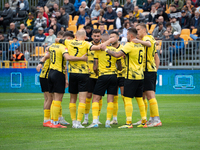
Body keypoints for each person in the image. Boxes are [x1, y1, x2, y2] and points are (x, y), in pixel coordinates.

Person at [55, 30, 111, 128]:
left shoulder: (69, 42)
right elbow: (99, 47)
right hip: (83, 73)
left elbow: (56, 39)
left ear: (76, 36)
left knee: (72, 99)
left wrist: (63, 41)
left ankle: (73, 122)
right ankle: (78, 122)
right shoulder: (86, 44)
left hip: (72, 73)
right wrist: (109, 41)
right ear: (85, 36)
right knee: (82, 99)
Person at [38, 31, 88, 128]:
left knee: (52, 99)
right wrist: (81, 58)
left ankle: (52, 121)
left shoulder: (52, 46)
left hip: (50, 73)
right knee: (57, 99)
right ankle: (55, 122)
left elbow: (47, 53)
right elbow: (68, 57)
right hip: (58, 73)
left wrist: (41, 62)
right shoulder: (63, 48)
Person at [101, 28, 146, 128]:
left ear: (130, 35)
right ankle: (144, 121)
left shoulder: (129, 45)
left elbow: (117, 55)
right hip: (140, 75)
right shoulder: (141, 45)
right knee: (139, 99)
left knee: (127, 98)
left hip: (131, 76)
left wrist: (106, 49)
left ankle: (128, 122)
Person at [86, 33, 122, 128]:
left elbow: (94, 67)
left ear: (102, 40)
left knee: (96, 98)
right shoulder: (115, 50)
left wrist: (97, 73)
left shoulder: (99, 50)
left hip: (103, 76)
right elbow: (120, 67)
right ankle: (107, 121)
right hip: (113, 76)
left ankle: (95, 122)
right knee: (110, 99)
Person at [132, 23, 162, 127]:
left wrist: (138, 41)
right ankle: (146, 119)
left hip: (148, 71)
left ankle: (156, 119)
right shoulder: (147, 38)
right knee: (143, 96)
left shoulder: (147, 37)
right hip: (145, 71)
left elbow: (149, 44)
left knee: (150, 96)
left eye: (138, 29)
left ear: (144, 29)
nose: (137, 31)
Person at [82, 29, 103, 125]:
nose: (96, 37)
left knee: (99, 98)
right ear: (92, 36)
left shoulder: (103, 46)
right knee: (88, 96)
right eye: (94, 36)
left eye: (98, 36)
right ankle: (86, 118)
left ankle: (97, 118)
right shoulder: (87, 45)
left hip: (101, 75)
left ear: (100, 36)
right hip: (89, 75)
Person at [105, 31, 125, 125]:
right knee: (114, 97)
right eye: (110, 37)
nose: (111, 39)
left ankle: (128, 118)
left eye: (113, 37)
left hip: (123, 74)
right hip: (113, 75)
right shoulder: (109, 49)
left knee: (125, 96)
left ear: (118, 38)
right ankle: (115, 118)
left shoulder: (123, 48)